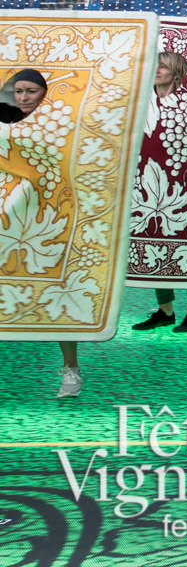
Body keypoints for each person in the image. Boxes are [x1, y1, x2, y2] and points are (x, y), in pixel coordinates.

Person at [1, 69, 86, 396]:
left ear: (45, 92)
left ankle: (71, 369)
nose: (23, 97)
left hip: (52, 215)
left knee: (59, 291)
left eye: (31, 91)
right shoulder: (6, 118)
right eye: (18, 90)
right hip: (9, 215)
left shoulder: (63, 122)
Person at [131, 51, 187, 333]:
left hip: (183, 182)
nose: (157, 70)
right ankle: (165, 310)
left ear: (176, 72)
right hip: (146, 179)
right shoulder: (143, 102)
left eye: (163, 66)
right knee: (153, 241)